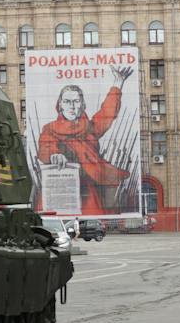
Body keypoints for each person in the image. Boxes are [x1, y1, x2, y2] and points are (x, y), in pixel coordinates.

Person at [37, 65, 134, 215]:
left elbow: (107, 112)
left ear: (82, 105)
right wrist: (54, 155)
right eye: (67, 101)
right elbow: (46, 146)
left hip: (88, 188)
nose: (72, 106)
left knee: (93, 217)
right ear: (60, 104)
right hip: (60, 186)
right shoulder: (50, 128)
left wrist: (118, 83)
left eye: (76, 101)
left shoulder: (90, 127)